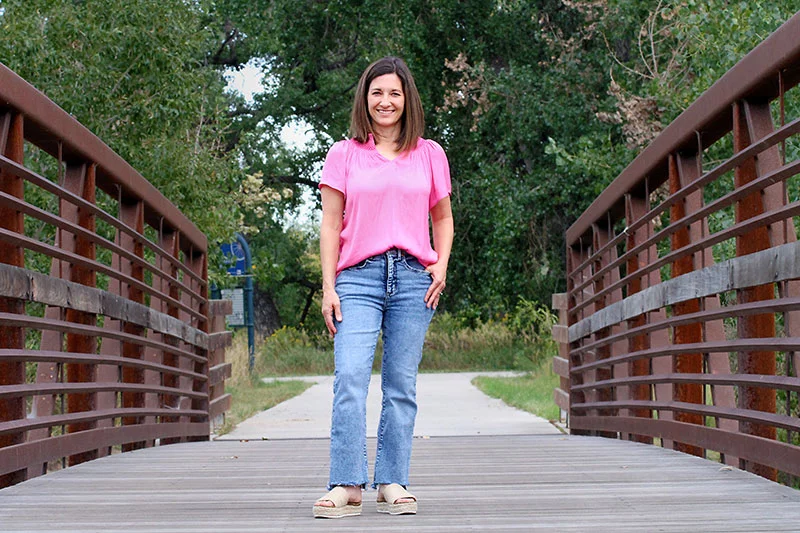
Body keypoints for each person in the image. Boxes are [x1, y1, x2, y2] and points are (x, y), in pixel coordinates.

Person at [313, 56, 453, 519]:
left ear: (407, 98)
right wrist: (328, 285)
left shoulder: (430, 153)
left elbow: (443, 218)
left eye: (394, 93)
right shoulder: (344, 154)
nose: (386, 101)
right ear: (365, 99)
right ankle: (346, 483)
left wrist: (442, 265)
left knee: (400, 385)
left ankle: (392, 480)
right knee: (350, 377)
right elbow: (331, 224)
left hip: (415, 278)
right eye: (377, 93)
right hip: (358, 278)